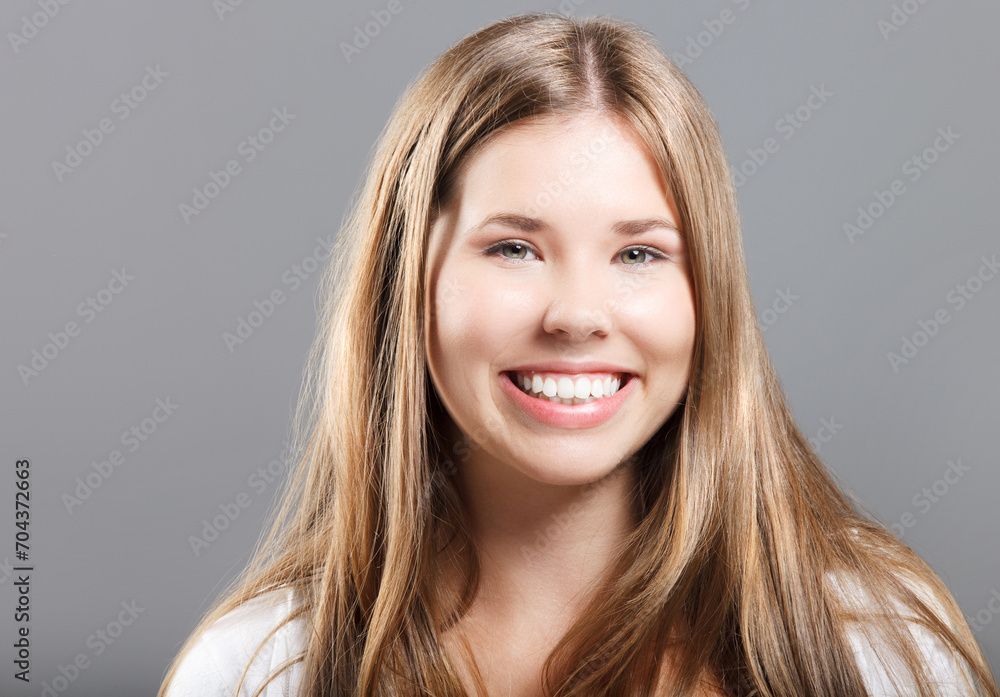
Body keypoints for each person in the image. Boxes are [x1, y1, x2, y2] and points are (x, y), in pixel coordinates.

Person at [157, 11, 999, 697]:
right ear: (408, 282)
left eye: (639, 253)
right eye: (513, 248)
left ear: (709, 298)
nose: (577, 315)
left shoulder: (875, 647)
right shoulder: (257, 673)